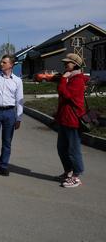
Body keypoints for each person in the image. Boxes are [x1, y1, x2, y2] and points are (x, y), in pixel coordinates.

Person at [55, 53, 88, 188]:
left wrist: (63, 79)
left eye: (68, 62)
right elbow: (61, 93)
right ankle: (68, 171)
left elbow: (66, 94)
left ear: (75, 64)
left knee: (73, 150)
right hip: (64, 119)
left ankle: (76, 176)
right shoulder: (70, 78)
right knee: (61, 148)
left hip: (73, 121)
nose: (65, 64)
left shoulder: (78, 79)